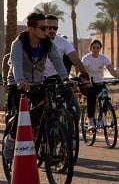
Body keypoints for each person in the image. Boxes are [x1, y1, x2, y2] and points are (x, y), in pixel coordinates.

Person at [4, 12, 70, 159]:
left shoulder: (47, 44)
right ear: (31, 28)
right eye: (43, 28)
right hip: (17, 82)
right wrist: (20, 80)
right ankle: (11, 139)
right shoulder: (19, 43)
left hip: (37, 82)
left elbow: (57, 61)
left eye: (48, 27)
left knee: (43, 109)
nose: (47, 31)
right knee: (22, 115)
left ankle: (41, 142)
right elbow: (16, 64)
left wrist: (66, 78)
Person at [43, 14, 89, 118]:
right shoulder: (38, 41)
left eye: (55, 28)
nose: (52, 30)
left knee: (75, 110)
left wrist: (84, 74)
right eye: (49, 27)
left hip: (58, 78)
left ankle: (70, 132)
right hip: (40, 80)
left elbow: (75, 59)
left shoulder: (62, 42)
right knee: (41, 111)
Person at [80, 39, 119, 130]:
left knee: (105, 97)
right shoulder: (86, 58)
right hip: (88, 83)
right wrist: (86, 82)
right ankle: (91, 122)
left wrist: (118, 77)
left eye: (98, 48)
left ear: (100, 49)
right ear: (90, 48)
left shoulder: (103, 58)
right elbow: (83, 71)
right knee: (91, 97)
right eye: (94, 47)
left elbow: (110, 69)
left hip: (100, 82)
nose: (96, 49)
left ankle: (103, 116)